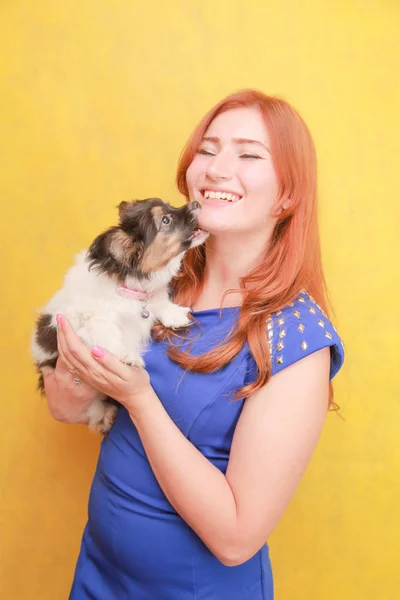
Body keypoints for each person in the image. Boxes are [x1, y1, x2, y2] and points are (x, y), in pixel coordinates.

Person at [45, 89, 345, 599]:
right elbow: (62, 406)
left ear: (288, 194)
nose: (216, 169)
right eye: (208, 150)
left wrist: (138, 398)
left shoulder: (296, 337)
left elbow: (235, 539)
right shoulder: (162, 279)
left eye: (249, 155)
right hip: (98, 577)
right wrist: (78, 361)